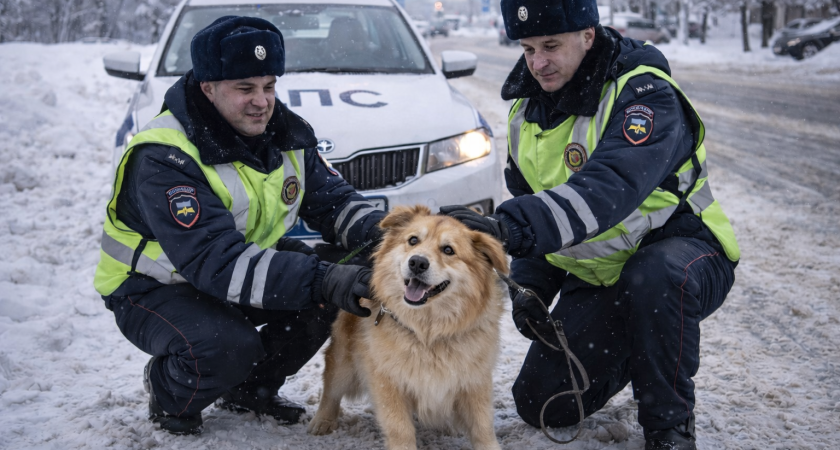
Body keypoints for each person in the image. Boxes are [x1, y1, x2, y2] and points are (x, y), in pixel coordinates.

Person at [441, 1, 739, 449]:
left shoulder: (643, 95)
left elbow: (609, 190)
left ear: (588, 36)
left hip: (682, 251)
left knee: (654, 276)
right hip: (603, 274)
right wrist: (533, 286)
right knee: (542, 403)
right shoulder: (526, 110)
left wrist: (506, 228)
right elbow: (535, 199)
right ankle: (636, 348)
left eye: (551, 45)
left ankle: (669, 426)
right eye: (527, 49)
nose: (538, 63)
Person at [93, 16, 385, 435]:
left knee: (335, 286)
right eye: (245, 88)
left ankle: (251, 389)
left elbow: (333, 202)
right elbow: (214, 260)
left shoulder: (283, 133)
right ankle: (169, 391)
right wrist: (323, 278)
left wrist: (393, 235)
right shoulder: (166, 155)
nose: (261, 101)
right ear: (208, 87)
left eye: (269, 86)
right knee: (229, 344)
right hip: (151, 286)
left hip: (233, 266)